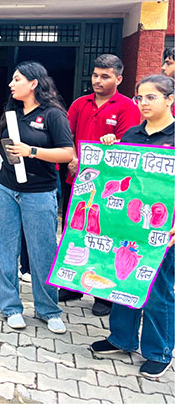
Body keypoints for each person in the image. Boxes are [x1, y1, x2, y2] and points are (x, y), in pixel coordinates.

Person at [0, 61, 73, 335]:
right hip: (6, 189)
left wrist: (32, 151)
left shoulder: (53, 115)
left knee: (43, 252)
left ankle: (48, 310)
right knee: (6, 249)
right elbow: (1, 151)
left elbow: (67, 154)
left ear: (34, 83)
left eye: (17, 79)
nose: (11, 84)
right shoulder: (11, 111)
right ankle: (11, 307)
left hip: (39, 193)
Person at [90, 74, 175, 379]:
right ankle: (122, 339)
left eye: (151, 97)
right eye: (139, 97)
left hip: (164, 232)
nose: (143, 103)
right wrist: (109, 150)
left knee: (157, 292)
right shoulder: (132, 135)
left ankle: (158, 351)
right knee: (124, 283)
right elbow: (119, 179)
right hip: (129, 227)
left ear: (170, 99)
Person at [56, 54, 139, 315]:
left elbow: (128, 146)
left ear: (119, 79)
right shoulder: (80, 103)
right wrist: (71, 157)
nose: (98, 80)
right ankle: (73, 284)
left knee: (104, 236)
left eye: (105, 76)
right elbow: (66, 136)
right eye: (95, 75)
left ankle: (103, 295)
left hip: (109, 187)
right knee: (75, 232)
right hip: (77, 179)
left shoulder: (128, 108)